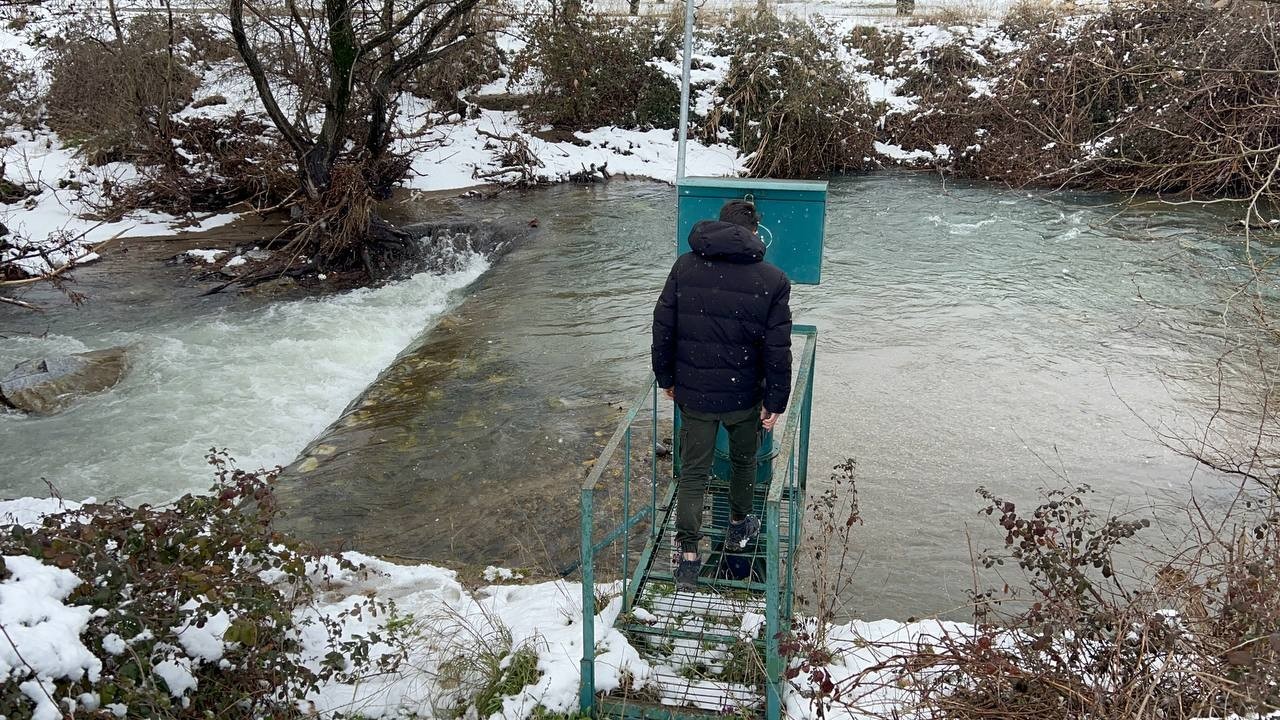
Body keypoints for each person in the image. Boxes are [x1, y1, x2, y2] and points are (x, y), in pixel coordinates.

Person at [651, 199, 793, 591]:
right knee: (744, 461)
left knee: (694, 472)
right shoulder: (773, 279)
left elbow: (662, 325)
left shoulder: (685, 267)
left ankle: (689, 555)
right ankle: (738, 525)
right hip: (744, 396)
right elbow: (777, 349)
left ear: (718, 226)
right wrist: (775, 401)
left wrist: (666, 377)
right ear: (754, 232)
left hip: (695, 394)